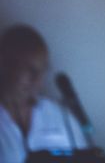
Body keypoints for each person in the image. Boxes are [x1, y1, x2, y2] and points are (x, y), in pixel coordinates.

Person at [0, 25, 88, 163]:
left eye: (42, 70)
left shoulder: (59, 115)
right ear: (4, 64)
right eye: (29, 69)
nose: (37, 79)